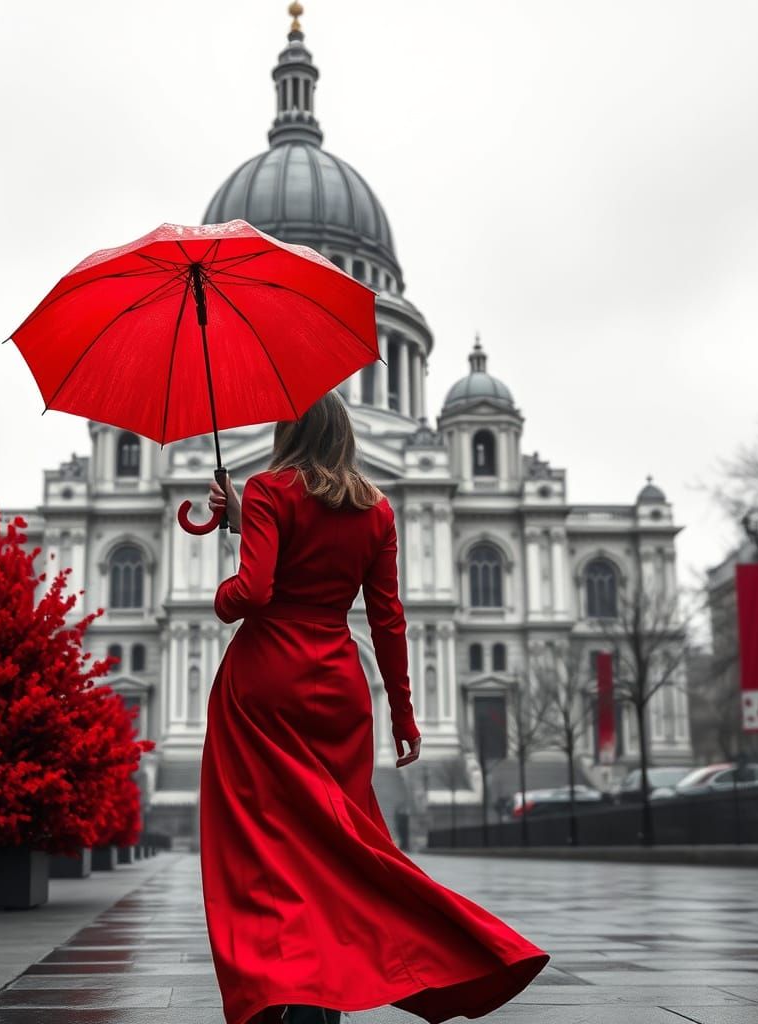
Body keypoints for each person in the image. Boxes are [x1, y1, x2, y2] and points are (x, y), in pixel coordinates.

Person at [199, 391, 549, 1024]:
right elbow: (388, 618)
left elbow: (252, 591)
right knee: (341, 845)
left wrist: (223, 596)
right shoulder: (377, 508)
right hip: (339, 685)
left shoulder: (268, 490)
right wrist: (403, 715)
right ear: (344, 434)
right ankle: (345, 986)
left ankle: (280, 983)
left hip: (266, 682)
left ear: (286, 432)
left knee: (265, 843)